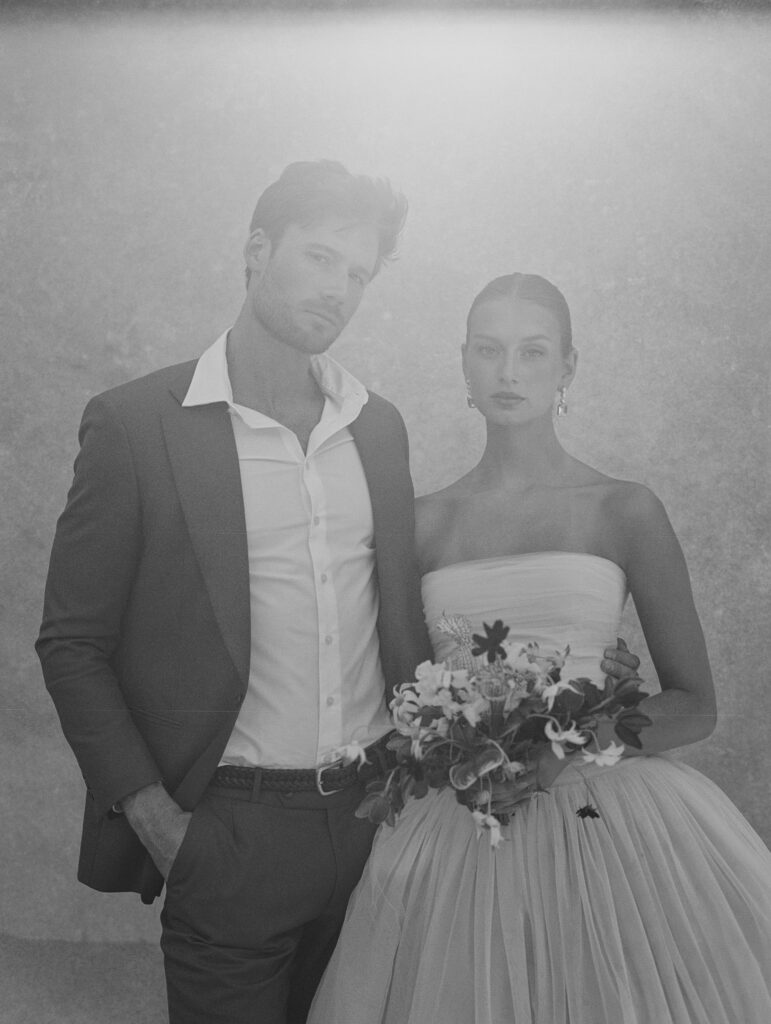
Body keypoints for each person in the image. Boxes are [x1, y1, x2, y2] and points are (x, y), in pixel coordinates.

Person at [37, 171, 636, 1024]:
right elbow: (72, 644)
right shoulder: (138, 425)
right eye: (320, 257)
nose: (338, 289)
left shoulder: (375, 425)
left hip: (380, 826)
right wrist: (157, 820)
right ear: (256, 253)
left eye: (359, 274)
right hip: (230, 831)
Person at [307, 272, 771, 1024]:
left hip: (610, 825)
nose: (509, 370)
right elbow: (401, 701)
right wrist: (461, 749)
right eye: (489, 350)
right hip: (459, 826)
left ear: (567, 366)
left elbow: (695, 706)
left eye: (532, 351)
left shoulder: (623, 509)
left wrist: (570, 744)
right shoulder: (420, 525)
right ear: (463, 364)